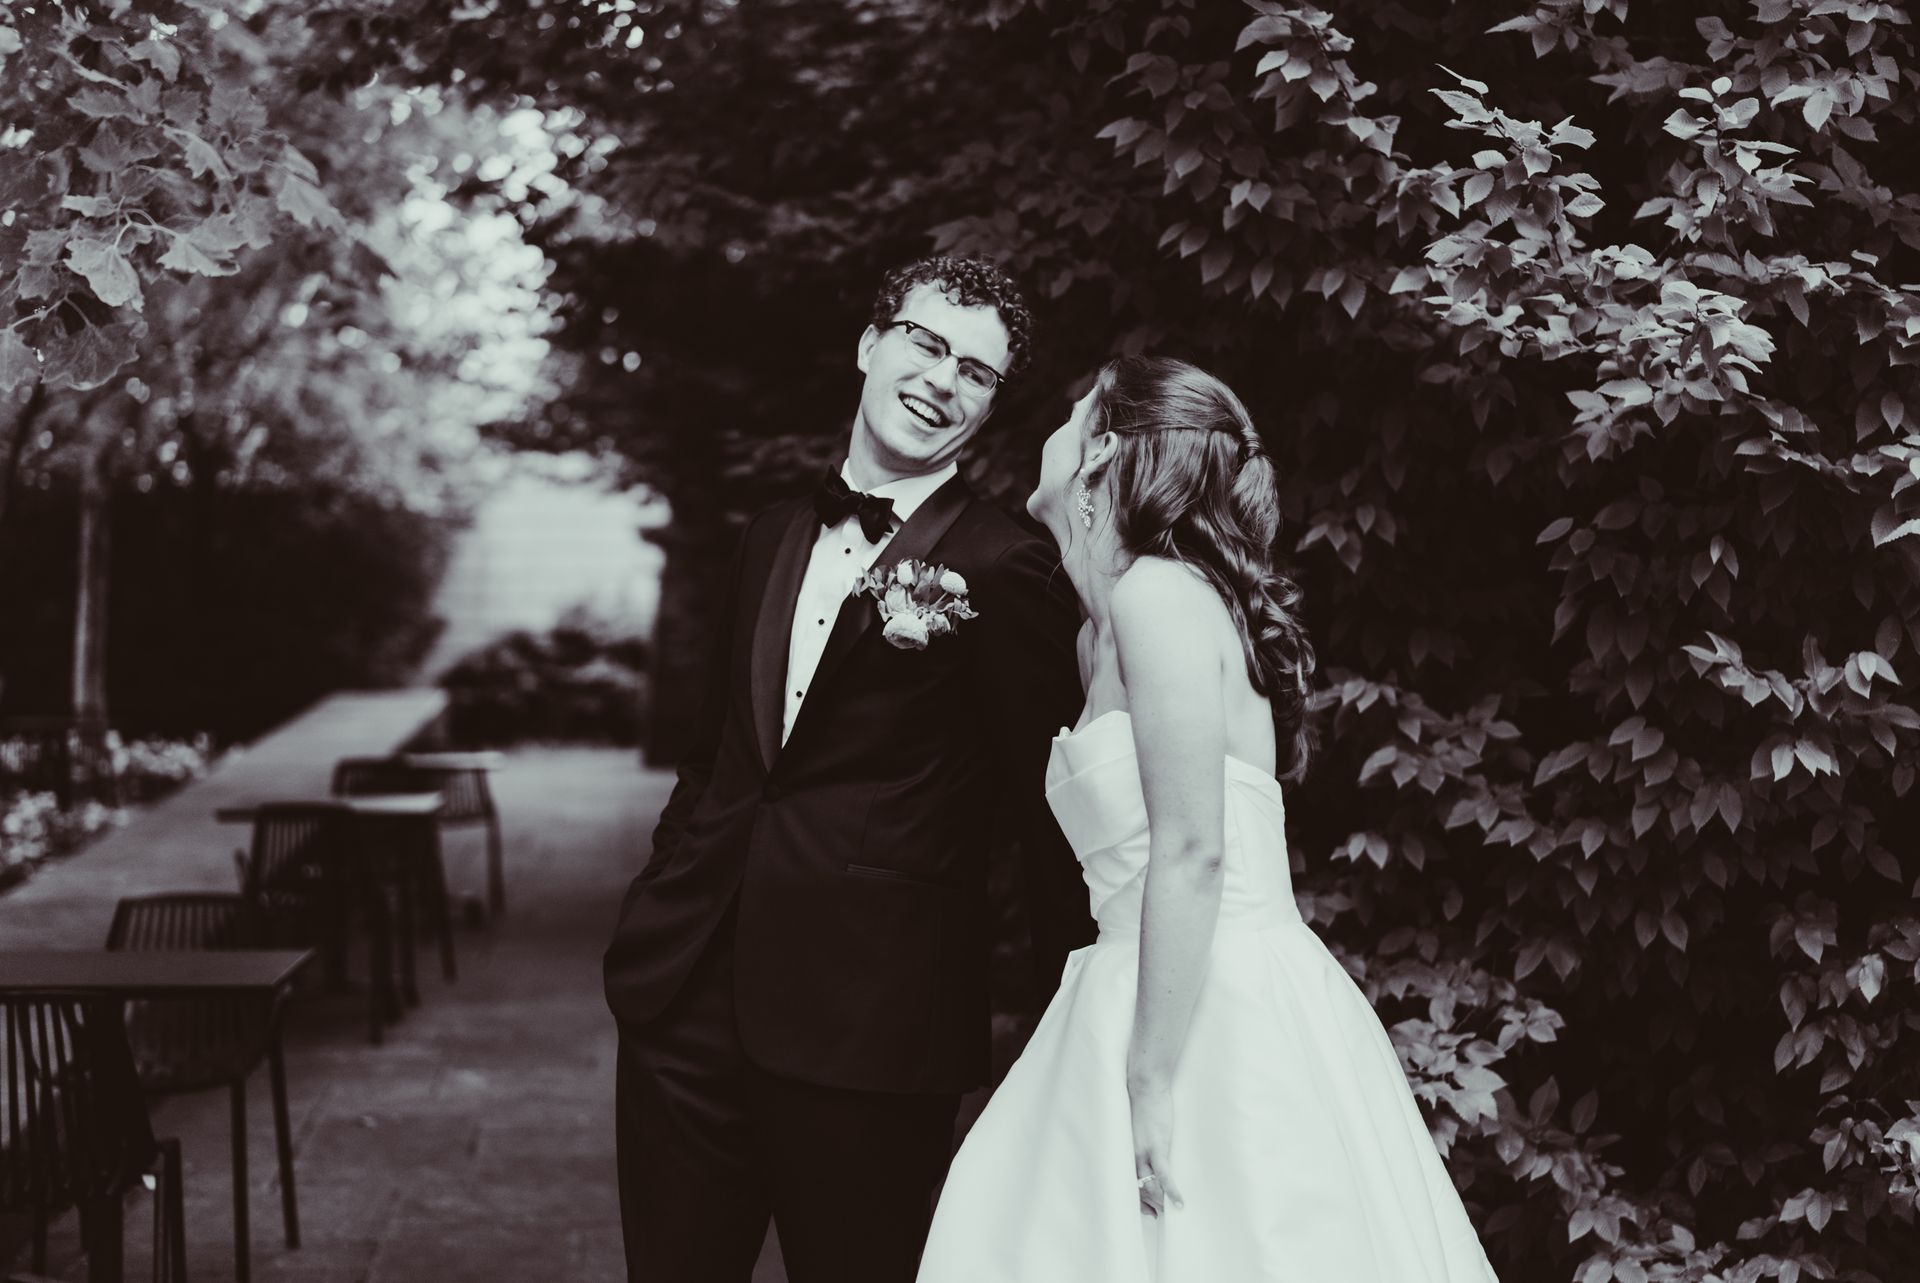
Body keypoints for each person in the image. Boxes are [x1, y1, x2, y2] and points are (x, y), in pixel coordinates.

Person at [916, 356, 1500, 1282]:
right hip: (1126, 979)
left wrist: (1149, 1077)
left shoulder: (1163, 597)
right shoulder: (1097, 627)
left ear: (1102, 449)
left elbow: (1192, 852)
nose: (1053, 431)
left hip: (1212, 1004)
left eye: (1073, 415)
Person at [602, 255, 1092, 1283]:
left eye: (976, 369)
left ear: (991, 403)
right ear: (871, 345)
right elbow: (716, 757)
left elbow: (1048, 811)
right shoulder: (771, 534)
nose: (942, 378)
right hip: (685, 1001)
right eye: (925, 342)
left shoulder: (1008, 566)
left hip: (870, 1029)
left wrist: (1070, 1012)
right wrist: (661, 898)